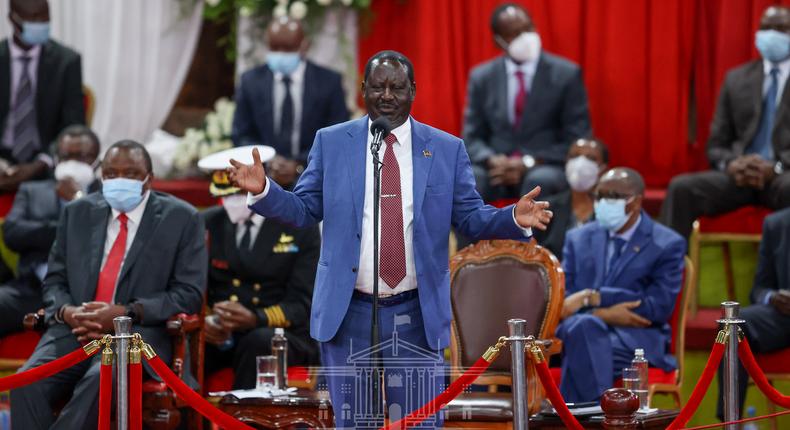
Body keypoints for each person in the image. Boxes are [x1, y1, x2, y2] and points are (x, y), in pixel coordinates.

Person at [228, 50, 553, 427]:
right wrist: (266, 190)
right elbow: (303, 209)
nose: (387, 95)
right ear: (362, 90)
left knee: (417, 423)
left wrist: (513, 216)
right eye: (378, 86)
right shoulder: (332, 142)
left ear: (413, 90)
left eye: (397, 87)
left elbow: (470, 218)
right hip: (348, 310)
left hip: (415, 312)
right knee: (355, 424)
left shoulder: (446, 149)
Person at [10, 140, 206, 429]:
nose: (119, 181)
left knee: (97, 381)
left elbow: (188, 294)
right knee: (27, 383)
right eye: (111, 174)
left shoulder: (182, 218)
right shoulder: (77, 213)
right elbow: (55, 280)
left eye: (130, 173)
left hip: (136, 335)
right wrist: (67, 312)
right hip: (75, 328)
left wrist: (125, 313)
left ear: (148, 180)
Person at [660, 5, 790, 239]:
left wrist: (777, 168)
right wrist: (732, 164)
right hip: (740, 176)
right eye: (766, 28)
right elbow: (716, 144)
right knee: (681, 189)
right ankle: (669, 272)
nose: (772, 34)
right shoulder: (737, 79)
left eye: (780, 29)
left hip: (783, 175)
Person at [558, 168, 685, 403]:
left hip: (634, 338)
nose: (604, 202)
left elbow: (658, 306)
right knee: (585, 329)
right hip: (578, 329)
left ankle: (580, 418)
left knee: (581, 341)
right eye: (600, 195)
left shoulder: (667, 244)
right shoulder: (578, 238)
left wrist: (595, 297)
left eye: (613, 196)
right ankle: (603, 418)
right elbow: (564, 300)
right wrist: (604, 314)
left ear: (635, 202)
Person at [200, 146, 320, 390]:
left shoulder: (296, 224)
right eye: (227, 196)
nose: (233, 202)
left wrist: (256, 318)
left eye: (239, 193)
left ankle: (243, 424)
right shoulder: (209, 222)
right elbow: (196, 284)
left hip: (281, 331)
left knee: (258, 342)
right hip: (223, 330)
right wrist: (207, 321)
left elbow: (303, 303)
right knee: (190, 344)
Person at [463, 2, 591, 201]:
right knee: (470, 179)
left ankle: (533, 234)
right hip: (497, 168)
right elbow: (472, 137)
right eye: (514, 34)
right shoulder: (482, 77)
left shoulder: (566, 75)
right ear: (499, 41)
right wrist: (491, 159)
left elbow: (576, 137)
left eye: (527, 29)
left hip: (543, 164)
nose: (525, 38)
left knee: (540, 181)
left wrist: (528, 162)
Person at [0, 125, 100, 337]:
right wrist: (62, 231)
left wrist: (78, 200)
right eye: (66, 156)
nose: (72, 163)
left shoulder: (107, 195)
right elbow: (12, 233)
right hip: (33, 289)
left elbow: (101, 237)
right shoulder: (32, 190)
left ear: (96, 161)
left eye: (81, 157)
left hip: (90, 295)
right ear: (55, 158)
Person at [232, 16, 349, 188]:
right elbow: (241, 134)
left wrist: (300, 165)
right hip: (263, 178)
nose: (280, 54)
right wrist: (267, 161)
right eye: (274, 48)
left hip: (315, 178)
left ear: (304, 46)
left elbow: (337, 135)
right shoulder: (251, 81)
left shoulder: (328, 82)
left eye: (288, 49)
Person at [0, 0, 85, 192]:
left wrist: (42, 163)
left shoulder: (67, 62)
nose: (41, 25)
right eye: (33, 20)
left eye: (45, 19)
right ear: (13, 19)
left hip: (46, 161)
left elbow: (73, 126)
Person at [716, 207, 790, 419]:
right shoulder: (776, 224)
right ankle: (730, 420)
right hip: (784, 316)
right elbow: (759, 289)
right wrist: (773, 298)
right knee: (733, 324)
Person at [533, 138, 608, 259]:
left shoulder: (612, 210)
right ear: (566, 162)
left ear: (603, 168)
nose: (580, 164)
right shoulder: (547, 207)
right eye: (574, 156)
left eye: (591, 158)